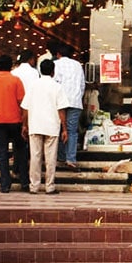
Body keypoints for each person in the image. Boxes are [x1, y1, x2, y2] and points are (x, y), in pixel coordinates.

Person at [21, 59, 69, 194]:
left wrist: (24, 125)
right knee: (50, 158)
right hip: (52, 126)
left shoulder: (33, 85)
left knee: (35, 157)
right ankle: (50, 186)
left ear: (40, 70)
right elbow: (61, 110)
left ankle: (34, 186)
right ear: (53, 71)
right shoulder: (57, 86)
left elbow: (25, 108)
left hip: (35, 124)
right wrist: (64, 129)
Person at [0, 54, 28, 193]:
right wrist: (24, 121)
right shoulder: (16, 80)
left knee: (2, 152)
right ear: (11, 66)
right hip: (15, 120)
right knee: (20, 151)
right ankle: (24, 182)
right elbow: (22, 102)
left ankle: (5, 184)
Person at [51, 41, 85, 169]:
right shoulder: (77, 65)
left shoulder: (55, 64)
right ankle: (71, 158)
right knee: (72, 131)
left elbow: (53, 83)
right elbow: (82, 84)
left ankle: (60, 156)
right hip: (75, 101)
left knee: (59, 128)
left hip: (59, 102)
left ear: (58, 54)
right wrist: (78, 97)